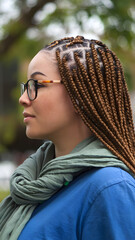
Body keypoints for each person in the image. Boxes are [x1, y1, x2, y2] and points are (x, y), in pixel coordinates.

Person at [0, 35, 135, 240]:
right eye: (25, 86)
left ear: (79, 94)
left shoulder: (110, 187)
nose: (23, 98)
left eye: (37, 84)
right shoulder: (34, 183)